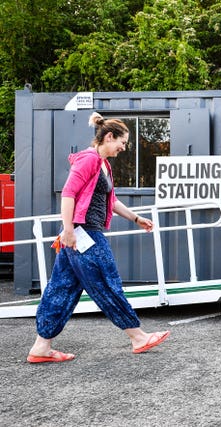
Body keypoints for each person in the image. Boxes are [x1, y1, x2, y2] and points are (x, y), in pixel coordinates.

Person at [27, 112, 170, 363]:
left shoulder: (103, 165)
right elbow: (68, 194)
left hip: (77, 236)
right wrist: (69, 230)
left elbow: (110, 201)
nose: (123, 148)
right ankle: (137, 337)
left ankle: (41, 347)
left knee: (61, 289)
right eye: (122, 143)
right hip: (84, 235)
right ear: (109, 137)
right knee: (107, 281)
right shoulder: (90, 160)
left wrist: (136, 219)